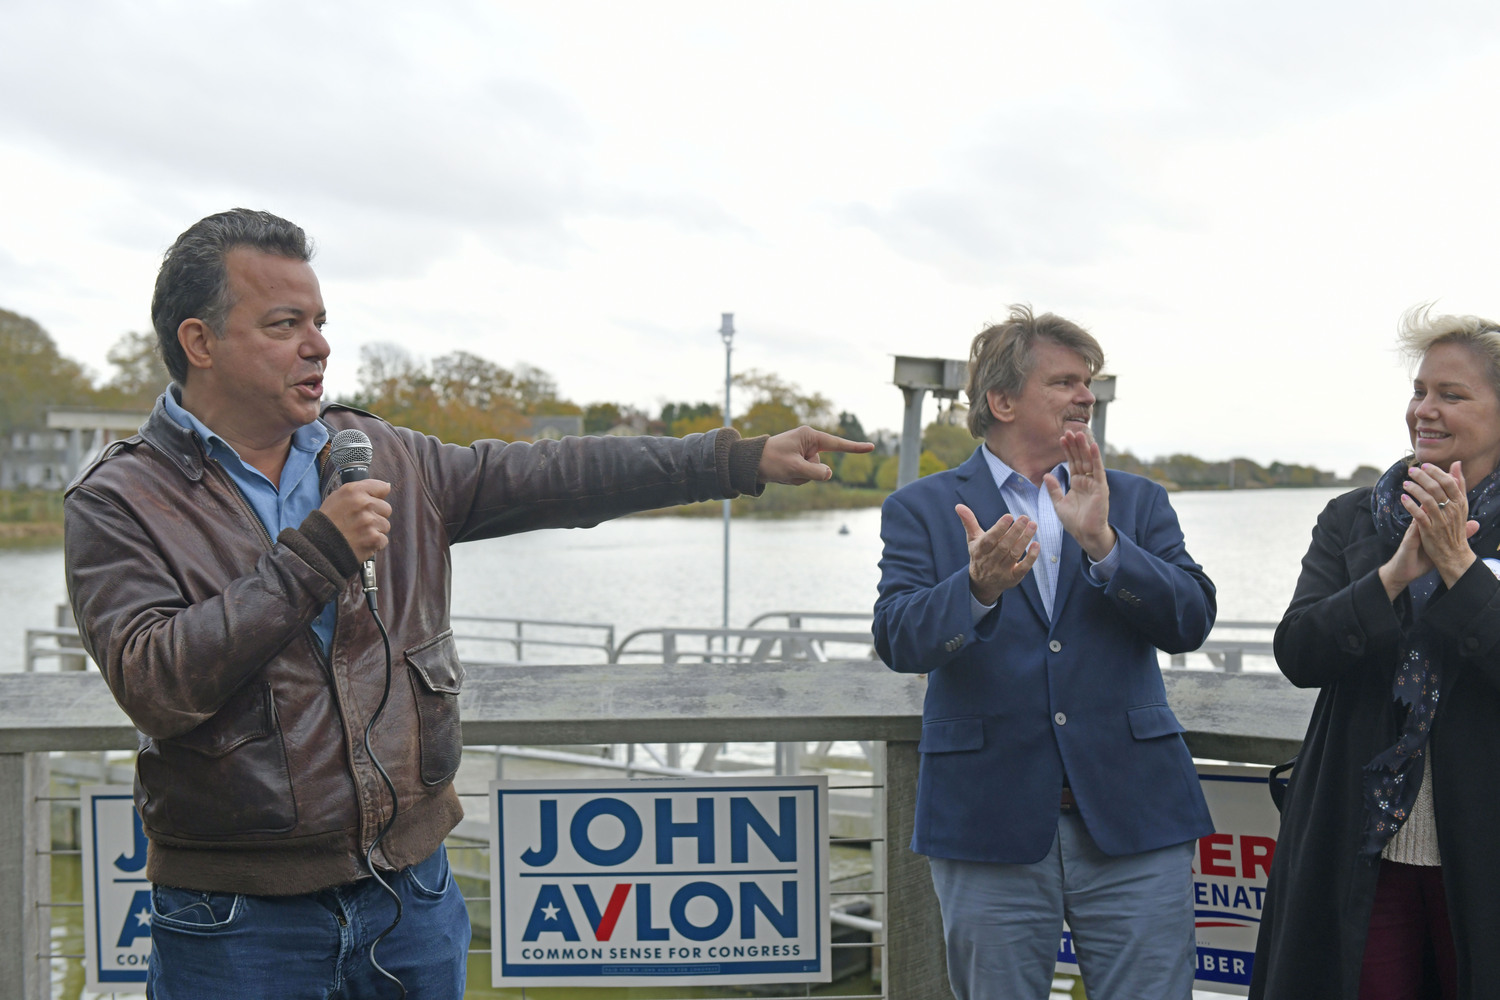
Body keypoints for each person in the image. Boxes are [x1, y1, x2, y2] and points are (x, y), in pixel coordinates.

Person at [62, 208, 872, 999]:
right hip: (236, 921)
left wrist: (734, 459)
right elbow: (155, 681)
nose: (319, 345)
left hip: (412, 898)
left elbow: (559, 476)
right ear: (199, 342)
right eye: (285, 324)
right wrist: (315, 556)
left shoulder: (382, 455)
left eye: (320, 320)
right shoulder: (123, 499)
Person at [873, 304, 1216, 1000]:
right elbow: (898, 640)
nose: (1085, 395)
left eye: (1087, 381)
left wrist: (1108, 548)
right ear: (1001, 400)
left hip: (1135, 819)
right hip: (986, 822)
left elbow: (1191, 621)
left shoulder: (1136, 502)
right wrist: (974, 589)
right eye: (1064, 382)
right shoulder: (921, 507)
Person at [1250, 307, 1500, 1000]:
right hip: (1360, 846)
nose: (1425, 409)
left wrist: (1459, 567)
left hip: (1484, 855)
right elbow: (1299, 654)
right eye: (1420, 390)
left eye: (1452, 394)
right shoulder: (1355, 518)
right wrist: (1393, 577)